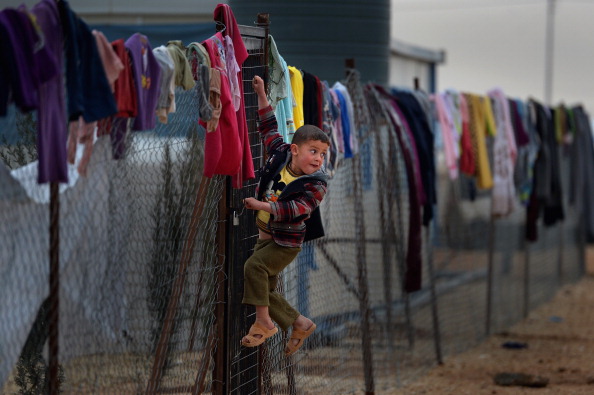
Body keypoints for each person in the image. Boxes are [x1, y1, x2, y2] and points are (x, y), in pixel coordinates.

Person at [240, 75, 330, 356]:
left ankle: (264, 322)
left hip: (285, 242)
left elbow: (297, 210)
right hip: (265, 235)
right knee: (263, 289)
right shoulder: (280, 154)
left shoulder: (316, 183)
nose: (318, 159)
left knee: (254, 269)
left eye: (323, 154)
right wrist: (262, 96)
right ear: (294, 150)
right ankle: (300, 323)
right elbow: (269, 128)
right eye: (313, 151)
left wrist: (262, 206)